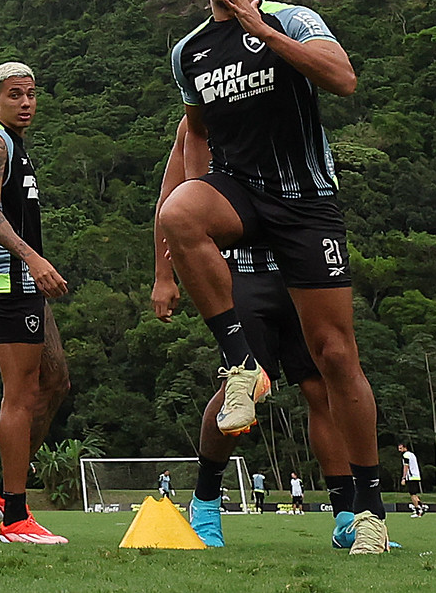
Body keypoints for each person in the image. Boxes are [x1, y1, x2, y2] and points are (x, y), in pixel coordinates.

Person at [155, 0, 391, 555]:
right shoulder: (190, 53)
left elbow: (343, 79)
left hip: (304, 203)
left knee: (335, 360)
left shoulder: (294, 19)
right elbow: (195, 135)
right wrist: (167, 262)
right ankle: (240, 366)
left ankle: (365, 512)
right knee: (180, 210)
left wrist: (262, 28)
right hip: (239, 199)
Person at [153, 124, 362, 551]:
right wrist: (163, 275)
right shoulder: (204, 118)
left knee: (321, 387)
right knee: (241, 385)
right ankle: (206, 501)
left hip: (300, 270)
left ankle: (346, 515)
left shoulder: (293, 105)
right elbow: (172, 201)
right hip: (242, 271)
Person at [0, 61, 72, 545]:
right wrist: (33, 258)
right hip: (8, 275)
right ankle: (14, 514)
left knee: (55, 380)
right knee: (22, 391)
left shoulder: (15, 143)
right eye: (15, 95)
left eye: (31, 94)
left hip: (22, 278)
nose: (26, 103)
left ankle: (1, 492)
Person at [398, 443, 426, 516]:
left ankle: (418, 511)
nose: (399, 450)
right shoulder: (412, 454)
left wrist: (403, 478)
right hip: (416, 476)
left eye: (401, 448)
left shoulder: (405, 455)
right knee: (414, 494)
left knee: (412, 494)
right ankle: (421, 506)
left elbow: (406, 467)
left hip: (411, 477)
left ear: (405, 448)